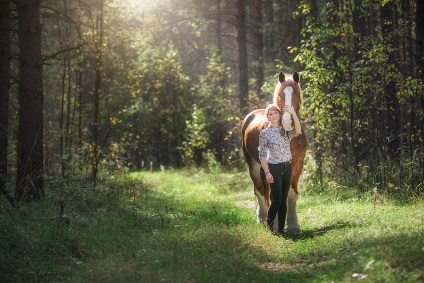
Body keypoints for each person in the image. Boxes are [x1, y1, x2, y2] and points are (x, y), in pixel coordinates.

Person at [258, 104, 301, 235]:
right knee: (276, 200)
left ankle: (281, 229)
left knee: (283, 200)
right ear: (268, 117)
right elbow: (263, 155)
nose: (273, 116)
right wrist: (267, 172)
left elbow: (298, 131)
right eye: (270, 114)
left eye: (275, 113)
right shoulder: (264, 133)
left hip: (287, 167)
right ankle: (270, 228)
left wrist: (293, 113)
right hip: (274, 168)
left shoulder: (286, 130)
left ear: (279, 114)